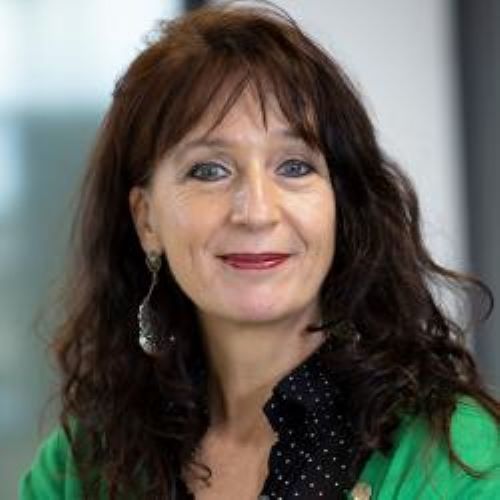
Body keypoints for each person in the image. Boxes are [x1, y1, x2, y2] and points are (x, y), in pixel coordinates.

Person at [19, 1, 500, 499]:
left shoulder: (459, 459)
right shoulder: (78, 464)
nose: (256, 211)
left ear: (341, 205)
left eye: (294, 166)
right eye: (209, 170)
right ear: (147, 220)